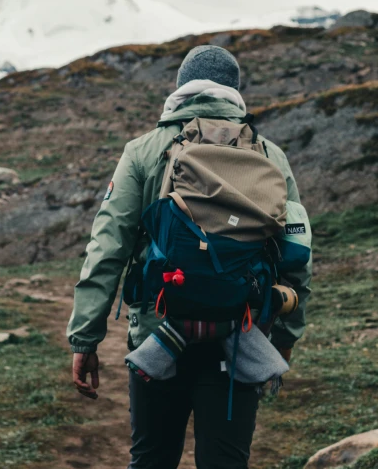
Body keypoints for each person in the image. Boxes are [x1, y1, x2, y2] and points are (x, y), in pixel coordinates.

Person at [67, 45, 312, 469]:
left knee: (151, 459)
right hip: (241, 335)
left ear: (180, 88)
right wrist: (286, 336)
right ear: (234, 92)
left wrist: (85, 338)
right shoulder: (269, 155)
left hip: (159, 333)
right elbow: (296, 256)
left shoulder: (143, 151)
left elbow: (108, 247)